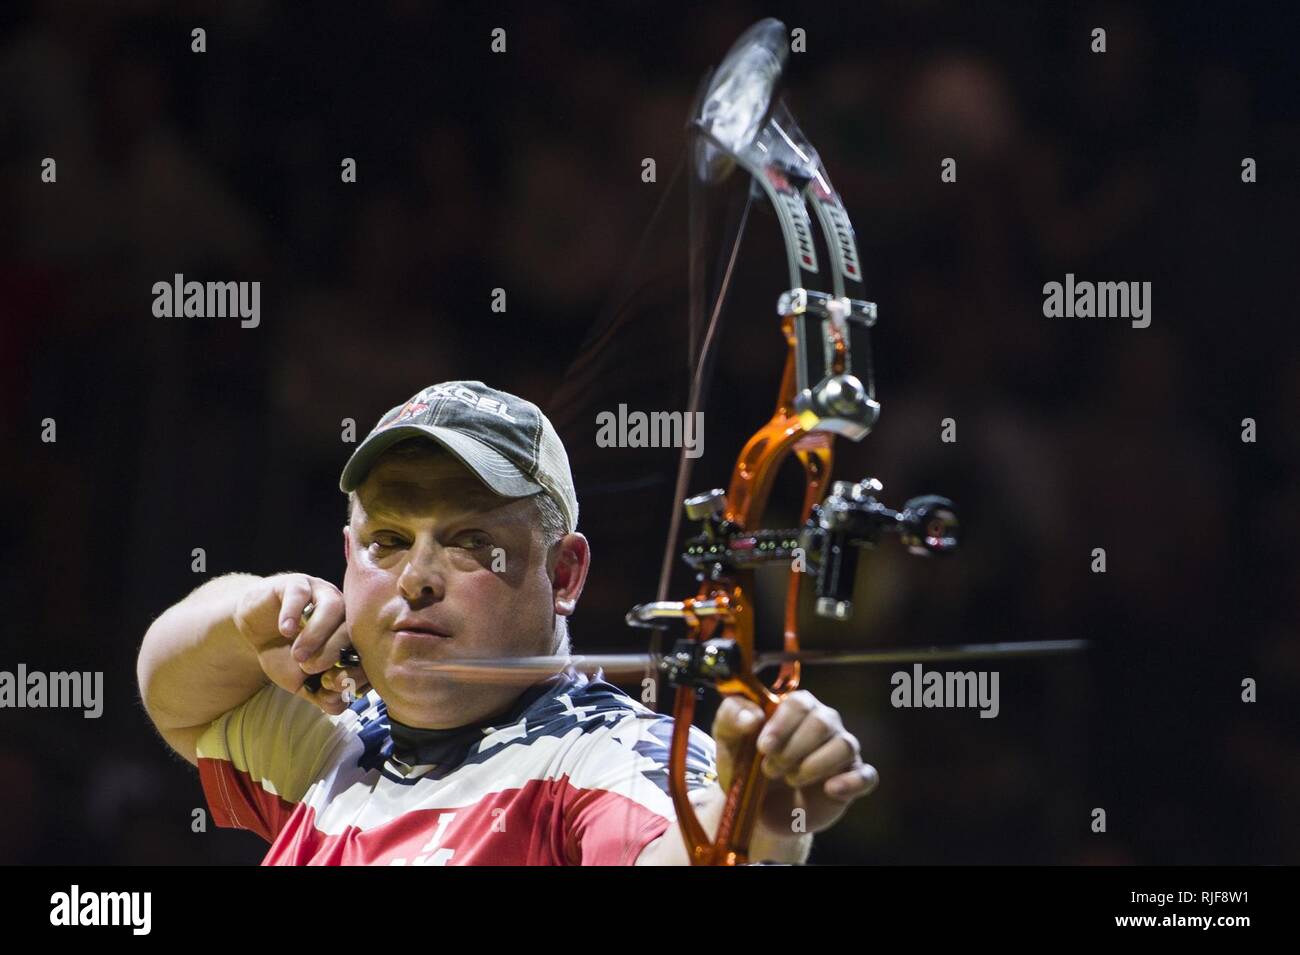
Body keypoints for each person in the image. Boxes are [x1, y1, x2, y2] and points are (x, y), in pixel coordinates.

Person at [136, 380, 878, 864]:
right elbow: (171, 691)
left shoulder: (600, 758)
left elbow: (684, 843)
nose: (417, 575)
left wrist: (767, 815)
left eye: (470, 542)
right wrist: (249, 614)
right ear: (345, 556)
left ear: (564, 575)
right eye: (387, 541)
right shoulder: (338, 735)